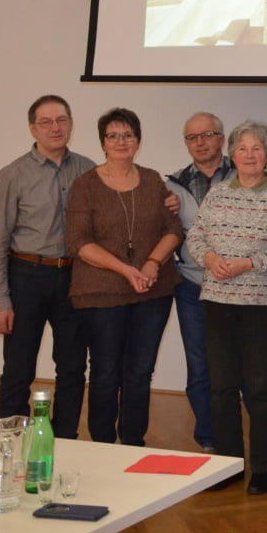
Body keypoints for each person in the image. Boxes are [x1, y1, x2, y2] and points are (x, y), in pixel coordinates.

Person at [65, 107, 181, 446]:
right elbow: (78, 242)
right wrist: (126, 270)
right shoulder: (85, 185)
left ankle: (133, 444)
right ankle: (103, 446)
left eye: (127, 135)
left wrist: (152, 263)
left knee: (140, 373)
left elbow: (173, 229)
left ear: (138, 141)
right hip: (102, 294)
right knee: (105, 373)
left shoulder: (153, 180)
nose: (120, 141)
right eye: (113, 136)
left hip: (153, 292)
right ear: (103, 142)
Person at [0, 95, 96, 436]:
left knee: (73, 367)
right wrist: (0, 300)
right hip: (26, 277)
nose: (55, 128)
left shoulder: (89, 170)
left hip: (74, 278)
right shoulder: (13, 174)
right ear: (33, 129)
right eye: (45, 122)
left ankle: (65, 438)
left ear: (71, 124)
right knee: (19, 367)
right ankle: (10, 437)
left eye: (61, 120)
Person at [187, 120, 267, 494]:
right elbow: (195, 237)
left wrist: (248, 263)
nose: (249, 154)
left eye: (257, 148)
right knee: (221, 388)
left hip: (259, 304)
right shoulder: (216, 194)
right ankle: (227, 465)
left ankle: (264, 465)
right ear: (232, 154)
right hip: (216, 303)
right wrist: (210, 259)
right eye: (242, 148)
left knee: (260, 388)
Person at [163, 112, 235, 453]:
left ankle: (237, 439)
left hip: (238, 286)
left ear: (221, 138)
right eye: (192, 137)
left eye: (207, 134)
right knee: (199, 366)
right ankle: (209, 438)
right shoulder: (172, 186)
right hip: (192, 287)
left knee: (239, 368)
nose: (200, 142)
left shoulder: (244, 174)